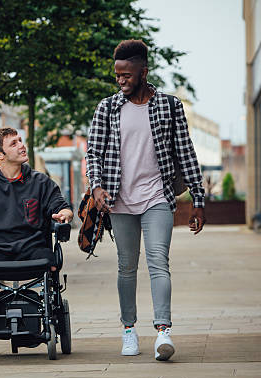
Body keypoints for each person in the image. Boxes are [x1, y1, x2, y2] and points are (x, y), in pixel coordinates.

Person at [86, 40, 206, 361]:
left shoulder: (169, 105)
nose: (121, 80)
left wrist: (198, 199)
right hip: (119, 200)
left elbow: (186, 153)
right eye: (117, 75)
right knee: (127, 267)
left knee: (158, 262)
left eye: (126, 75)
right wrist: (96, 188)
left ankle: (163, 331)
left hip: (157, 197)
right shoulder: (107, 108)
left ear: (143, 71)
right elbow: (93, 153)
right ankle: (129, 330)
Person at [0, 127, 73, 267]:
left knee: (50, 263)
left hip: (33, 249)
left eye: (20, 140)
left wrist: (65, 214)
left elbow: (60, 205)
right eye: (14, 143)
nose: (22, 145)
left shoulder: (41, 182)